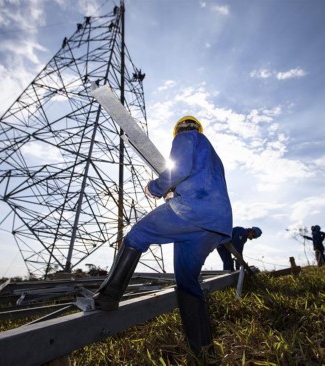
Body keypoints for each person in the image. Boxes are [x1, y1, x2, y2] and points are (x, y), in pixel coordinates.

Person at [93, 115, 232, 357]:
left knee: (138, 235)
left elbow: (181, 168)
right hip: (214, 225)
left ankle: (108, 296)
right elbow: (200, 181)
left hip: (192, 212)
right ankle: (203, 349)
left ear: (180, 129)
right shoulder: (214, 157)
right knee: (187, 282)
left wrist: (156, 187)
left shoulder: (188, 136)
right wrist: (174, 194)